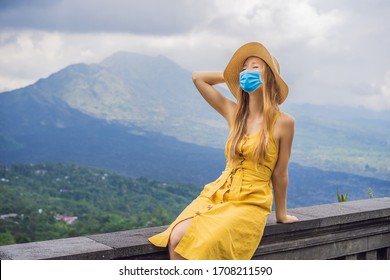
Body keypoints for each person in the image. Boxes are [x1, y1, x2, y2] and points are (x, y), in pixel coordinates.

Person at [148, 42, 298, 260]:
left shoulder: (284, 122)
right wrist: (231, 75)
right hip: (218, 192)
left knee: (205, 244)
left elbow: (280, 173)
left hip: (250, 201)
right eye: (244, 68)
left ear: (271, 77)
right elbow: (198, 77)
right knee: (177, 237)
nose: (247, 72)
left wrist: (281, 213)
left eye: (255, 67)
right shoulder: (235, 113)